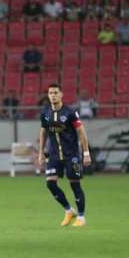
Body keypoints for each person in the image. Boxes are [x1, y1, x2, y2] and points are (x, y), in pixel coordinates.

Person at [38, 83, 92, 227]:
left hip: (71, 155)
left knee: (75, 185)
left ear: (61, 95)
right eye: (50, 93)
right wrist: (41, 153)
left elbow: (81, 132)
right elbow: (43, 133)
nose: (53, 95)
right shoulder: (45, 113)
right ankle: (69, 210)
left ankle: (81, 217)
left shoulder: (70, 112)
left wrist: (86, 153)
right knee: (50, 183)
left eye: (56, 92)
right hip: (55, 156)